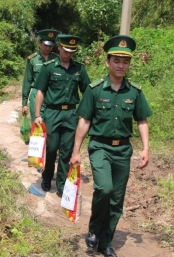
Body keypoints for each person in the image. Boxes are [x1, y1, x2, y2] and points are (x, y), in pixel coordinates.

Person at [69, 35, 152, 257]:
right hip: (100, 147)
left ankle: (105, 241)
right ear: (107, 62)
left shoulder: (135, 91)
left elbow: (142, 120)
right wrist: (76, 151)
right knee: (104, 189)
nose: (121, 65)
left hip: (123, 150)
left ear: (129, 64)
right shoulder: (95, 90)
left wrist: (145, 148)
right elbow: (84, 120)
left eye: (125, 62)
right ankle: (94, 229)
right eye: (116, 60)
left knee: (117, 198)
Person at [33, 34, 91, 195]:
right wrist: (38, 115)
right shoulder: (49, 67)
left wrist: (85, 112)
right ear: (59, 47)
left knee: (66, 150)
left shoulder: (79, 69)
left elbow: (87, 91)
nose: (69, 54)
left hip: (71, 113)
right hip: (52, 113)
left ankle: (61, 184)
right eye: (66, 50)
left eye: (72, 51)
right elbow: (40, 91)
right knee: (51, 148)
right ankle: (46, 176)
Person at [22, 29, 60, 122]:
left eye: (50, 46)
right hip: (36, 93)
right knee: (37, 127)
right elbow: (27, 81)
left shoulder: (57, 59)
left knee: (51, 126)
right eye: (46, 45)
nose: (48, 48)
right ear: (40, 43)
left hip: (51, 95)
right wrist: (24, 103)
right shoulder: (32, 59)